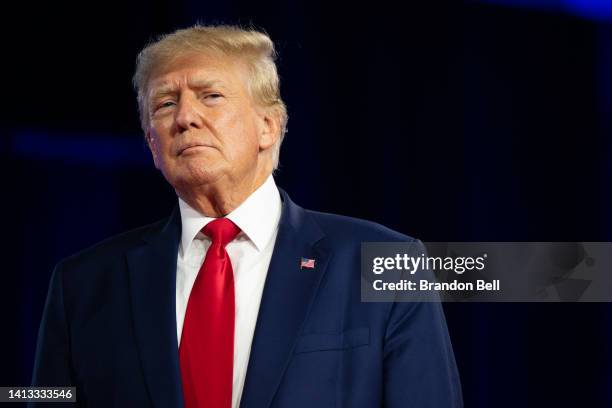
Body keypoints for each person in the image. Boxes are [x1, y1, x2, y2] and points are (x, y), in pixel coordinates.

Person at [31, 25, 462, 407]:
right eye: (164, 104)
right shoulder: (83, 285)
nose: (184, 117)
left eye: (211, 96)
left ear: (269, 126)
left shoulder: (388, 261)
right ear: (151, 143)